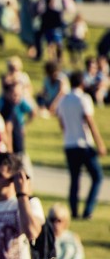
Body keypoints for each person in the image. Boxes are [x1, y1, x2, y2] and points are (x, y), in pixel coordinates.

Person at [56, 71, 106, 220]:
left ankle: (74, 211)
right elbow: (89, 121)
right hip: (83, 143)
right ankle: (88, 209)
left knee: (74, 179)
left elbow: (61, 121)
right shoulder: (83, 99)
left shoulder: (63, 100)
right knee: (97, 177)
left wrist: (67, 132)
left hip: (69, 143)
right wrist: (100, 143)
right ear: (82, 83)